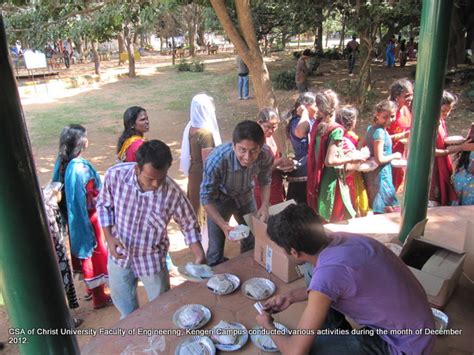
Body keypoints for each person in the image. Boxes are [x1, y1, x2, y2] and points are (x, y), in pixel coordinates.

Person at [256, 204, 436, 355]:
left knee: (310, 349)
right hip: (419, 329)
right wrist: (290, 297)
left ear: (294, 252)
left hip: (405, 347)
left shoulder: (328, 276)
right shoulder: (342, 239)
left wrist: (267, 326)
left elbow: (295, 351)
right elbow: (333, 283)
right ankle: (339, 335)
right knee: (313, 276)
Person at [97, 140, 206, 319]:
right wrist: (109, 237)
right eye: (150, 178)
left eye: (161, 178)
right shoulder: (115, 176)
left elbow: (189, 225)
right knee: (126, 310)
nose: (156, 184)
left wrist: (199, 254)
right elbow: (103, 205)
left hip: (152, 258)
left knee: (161, 309)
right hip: (120, 254)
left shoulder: (173, 193)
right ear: (137, 169)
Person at [52, 125, 110, 309]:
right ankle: (99, 297)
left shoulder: (62, 161)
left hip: (74, 216)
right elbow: (91, 194)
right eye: (85, 137)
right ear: (81, 143)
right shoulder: (80, 168)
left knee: (86, 255)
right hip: (89, 218)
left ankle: (90, 289)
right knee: (95, 253)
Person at [200, 120, 273, 266]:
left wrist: (265, 205)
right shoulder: (217, 160)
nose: (247, 157)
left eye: (253, 150)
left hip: (245, 196)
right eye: (242, 150)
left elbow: (265, 181)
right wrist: (222, 224)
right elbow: (206, 198)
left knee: (252, 240)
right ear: (233, 146)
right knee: (215, 250)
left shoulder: (266, 154)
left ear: (261, 147)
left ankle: (248, 270)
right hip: (219, 200)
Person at [179, 93, 222, 225]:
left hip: (193, 173)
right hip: (203, 177)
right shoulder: (205, 134)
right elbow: (208, 163)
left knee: (195, 206)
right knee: (205, 209)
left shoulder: (191, 127)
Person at [429, 91, 472, 206]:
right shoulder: (429, 124)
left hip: (441, 166)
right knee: (433, 202)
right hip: (431, 170)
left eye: (449, 110)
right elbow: (431, 152)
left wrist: (461, 141)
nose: (446, 114)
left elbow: (442, 141)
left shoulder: (440, 121)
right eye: (443, 110)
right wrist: (461, 147)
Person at [364, 100, 402, 214]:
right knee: (385, 209)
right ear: (377, 114)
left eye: (392, 116)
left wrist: (398, 136)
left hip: (376, 175)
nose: (389, 120)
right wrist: (395, 155)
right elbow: (379, 159)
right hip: (381, 176)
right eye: (385, 117)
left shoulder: (372, 128)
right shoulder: (379, 132)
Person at [306, 89, 341, 212]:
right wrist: (353, 158)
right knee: (331, 213)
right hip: (328, 177)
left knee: (318, 211)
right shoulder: (336, 130)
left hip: (315, 174)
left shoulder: (318, 124)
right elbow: (330, 161)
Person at [254, 108, 293, 208]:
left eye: (274, 127)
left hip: (276, 184)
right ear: (259, 123)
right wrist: (280, 161)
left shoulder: (272, 136)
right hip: (262, 188)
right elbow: (259, 169)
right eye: (267, 127)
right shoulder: (255, 142)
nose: (271, 130)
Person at [335, 106, 370, 217]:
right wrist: (362, 157)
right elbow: (347, 168)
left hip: (352, 177)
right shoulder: (344, 140)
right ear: (351, 121)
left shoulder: (343, 136)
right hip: (349, 180)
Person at [286, 92, 317, 204]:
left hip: (312, 169)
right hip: (303, 173)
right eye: (315, 105)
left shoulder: (313, 120)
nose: (317, 109)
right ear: (306, 106)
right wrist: (304, 113)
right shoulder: (296, 122)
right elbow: (302, 131)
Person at [387, 78, 413, 192]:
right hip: (391, 156)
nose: (410, 98)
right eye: (406, 96)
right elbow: (380, 137)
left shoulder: (405, 109)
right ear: (396, 97)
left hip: (403, 152)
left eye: (411, 95)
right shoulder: (389, 113)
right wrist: (402, 136)